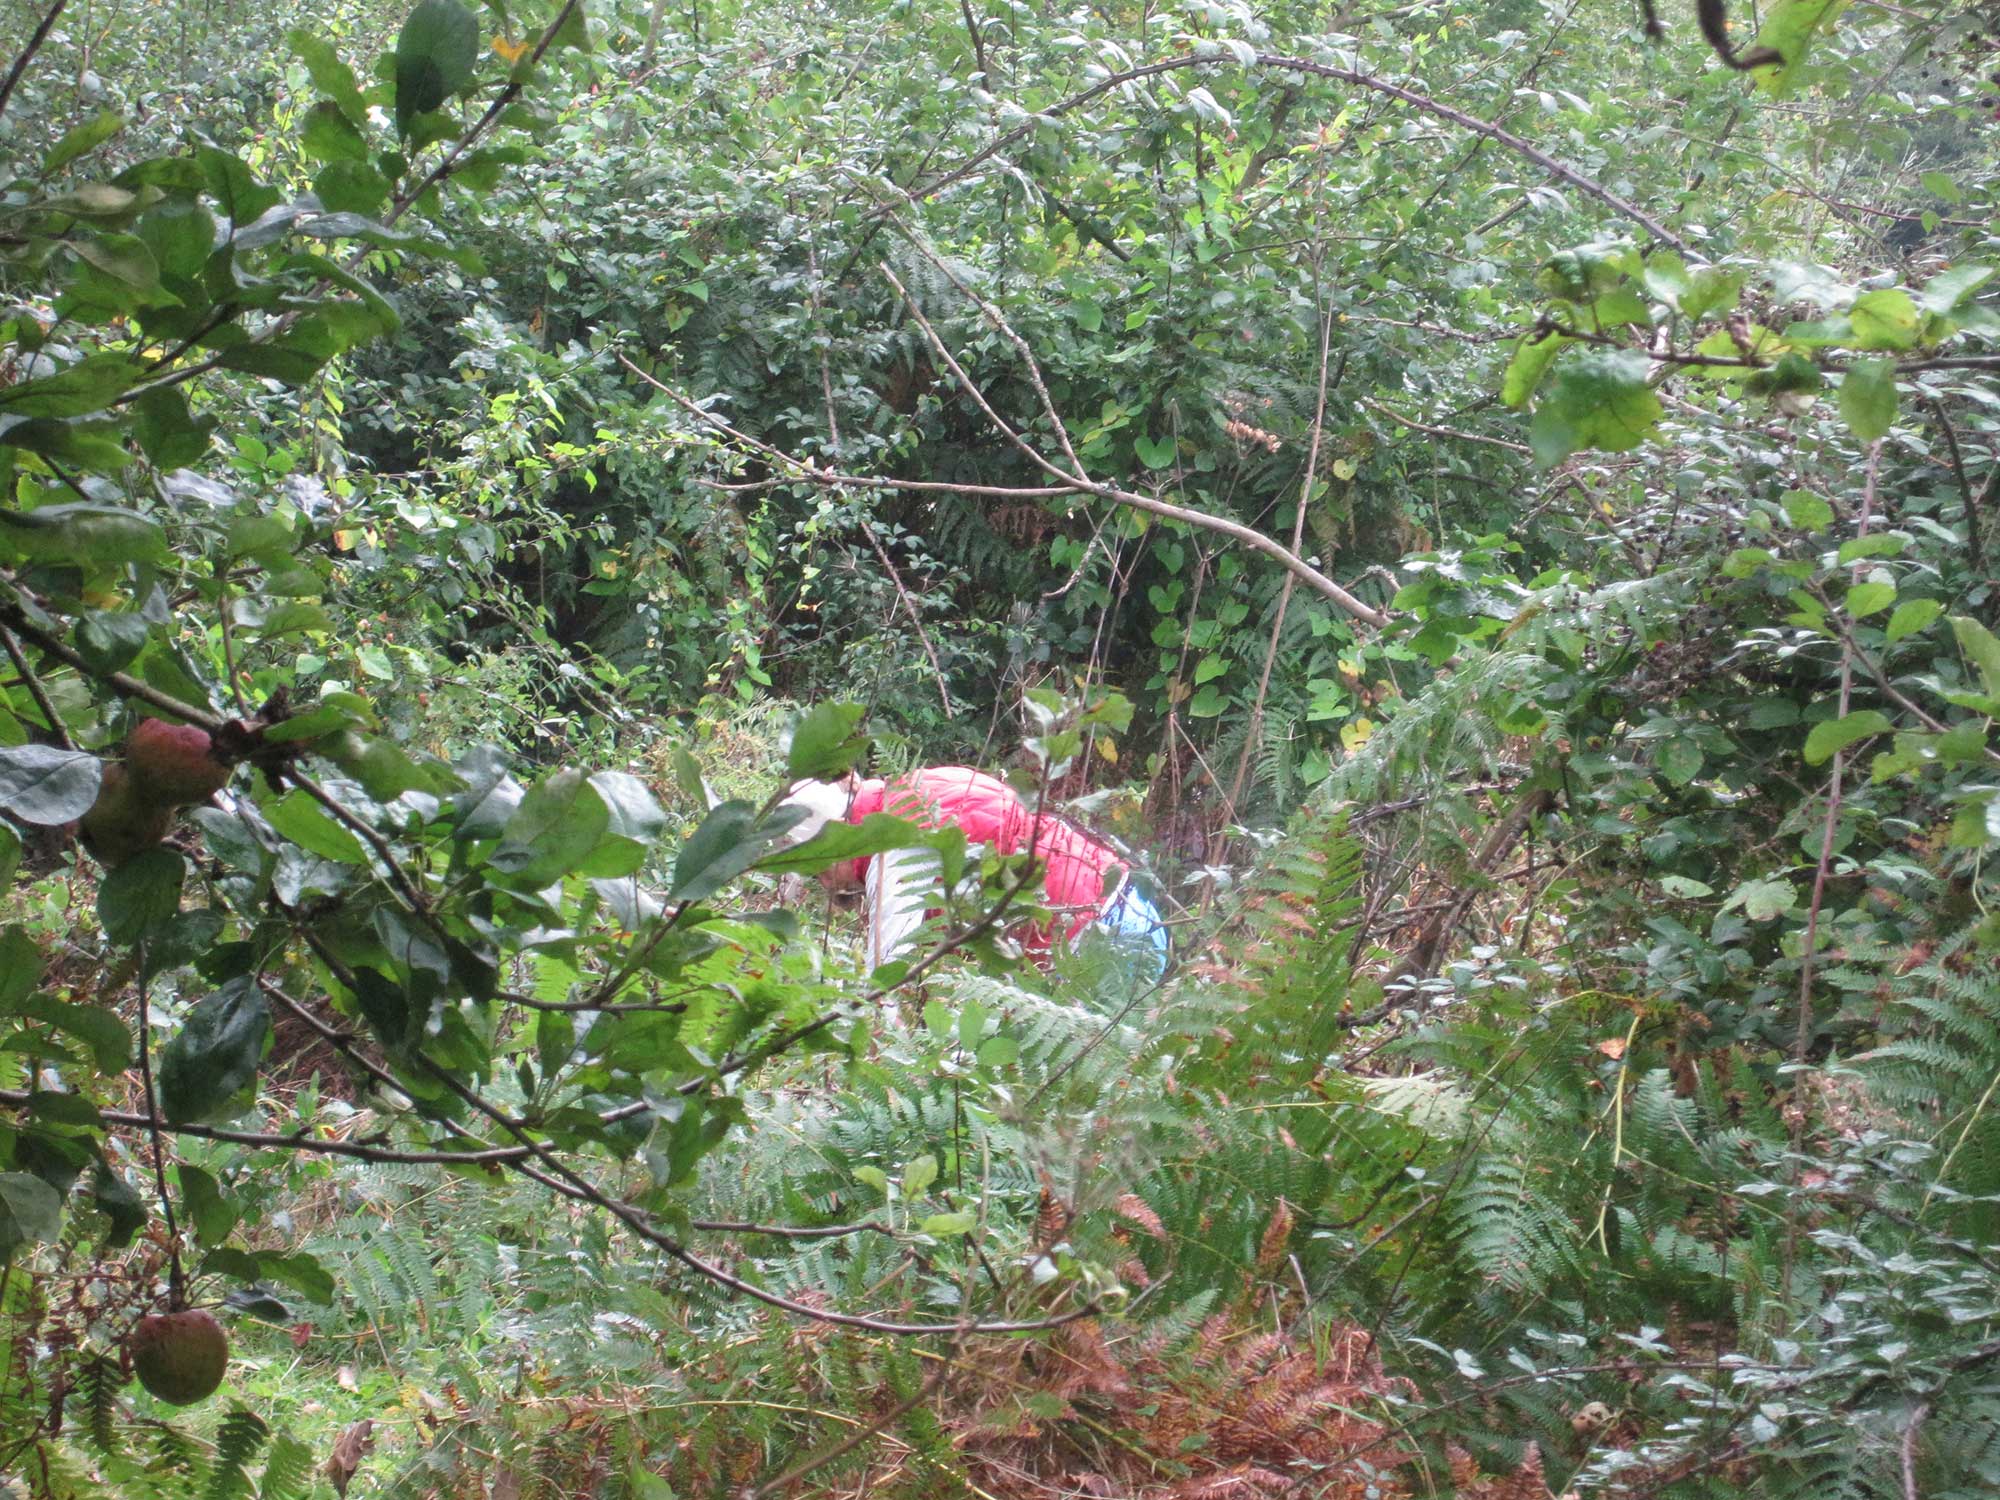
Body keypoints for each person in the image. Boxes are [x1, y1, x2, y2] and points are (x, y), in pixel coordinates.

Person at [781, 766, 1170, 979]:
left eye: (819, 870)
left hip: (1097, 944)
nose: (826, 884)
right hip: (1131, 909)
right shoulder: (914, 790)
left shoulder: (894, 850)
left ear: (835, 840)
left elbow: (886, 976)